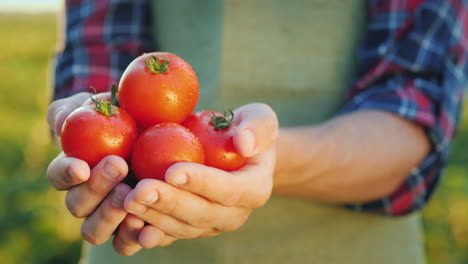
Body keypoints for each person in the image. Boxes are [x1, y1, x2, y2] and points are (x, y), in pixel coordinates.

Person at [47, 0, 467, 263]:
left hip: (345, 247)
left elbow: (411, 115)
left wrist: (259, 159)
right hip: (136, 225)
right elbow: (97, 70)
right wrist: (78, 121)